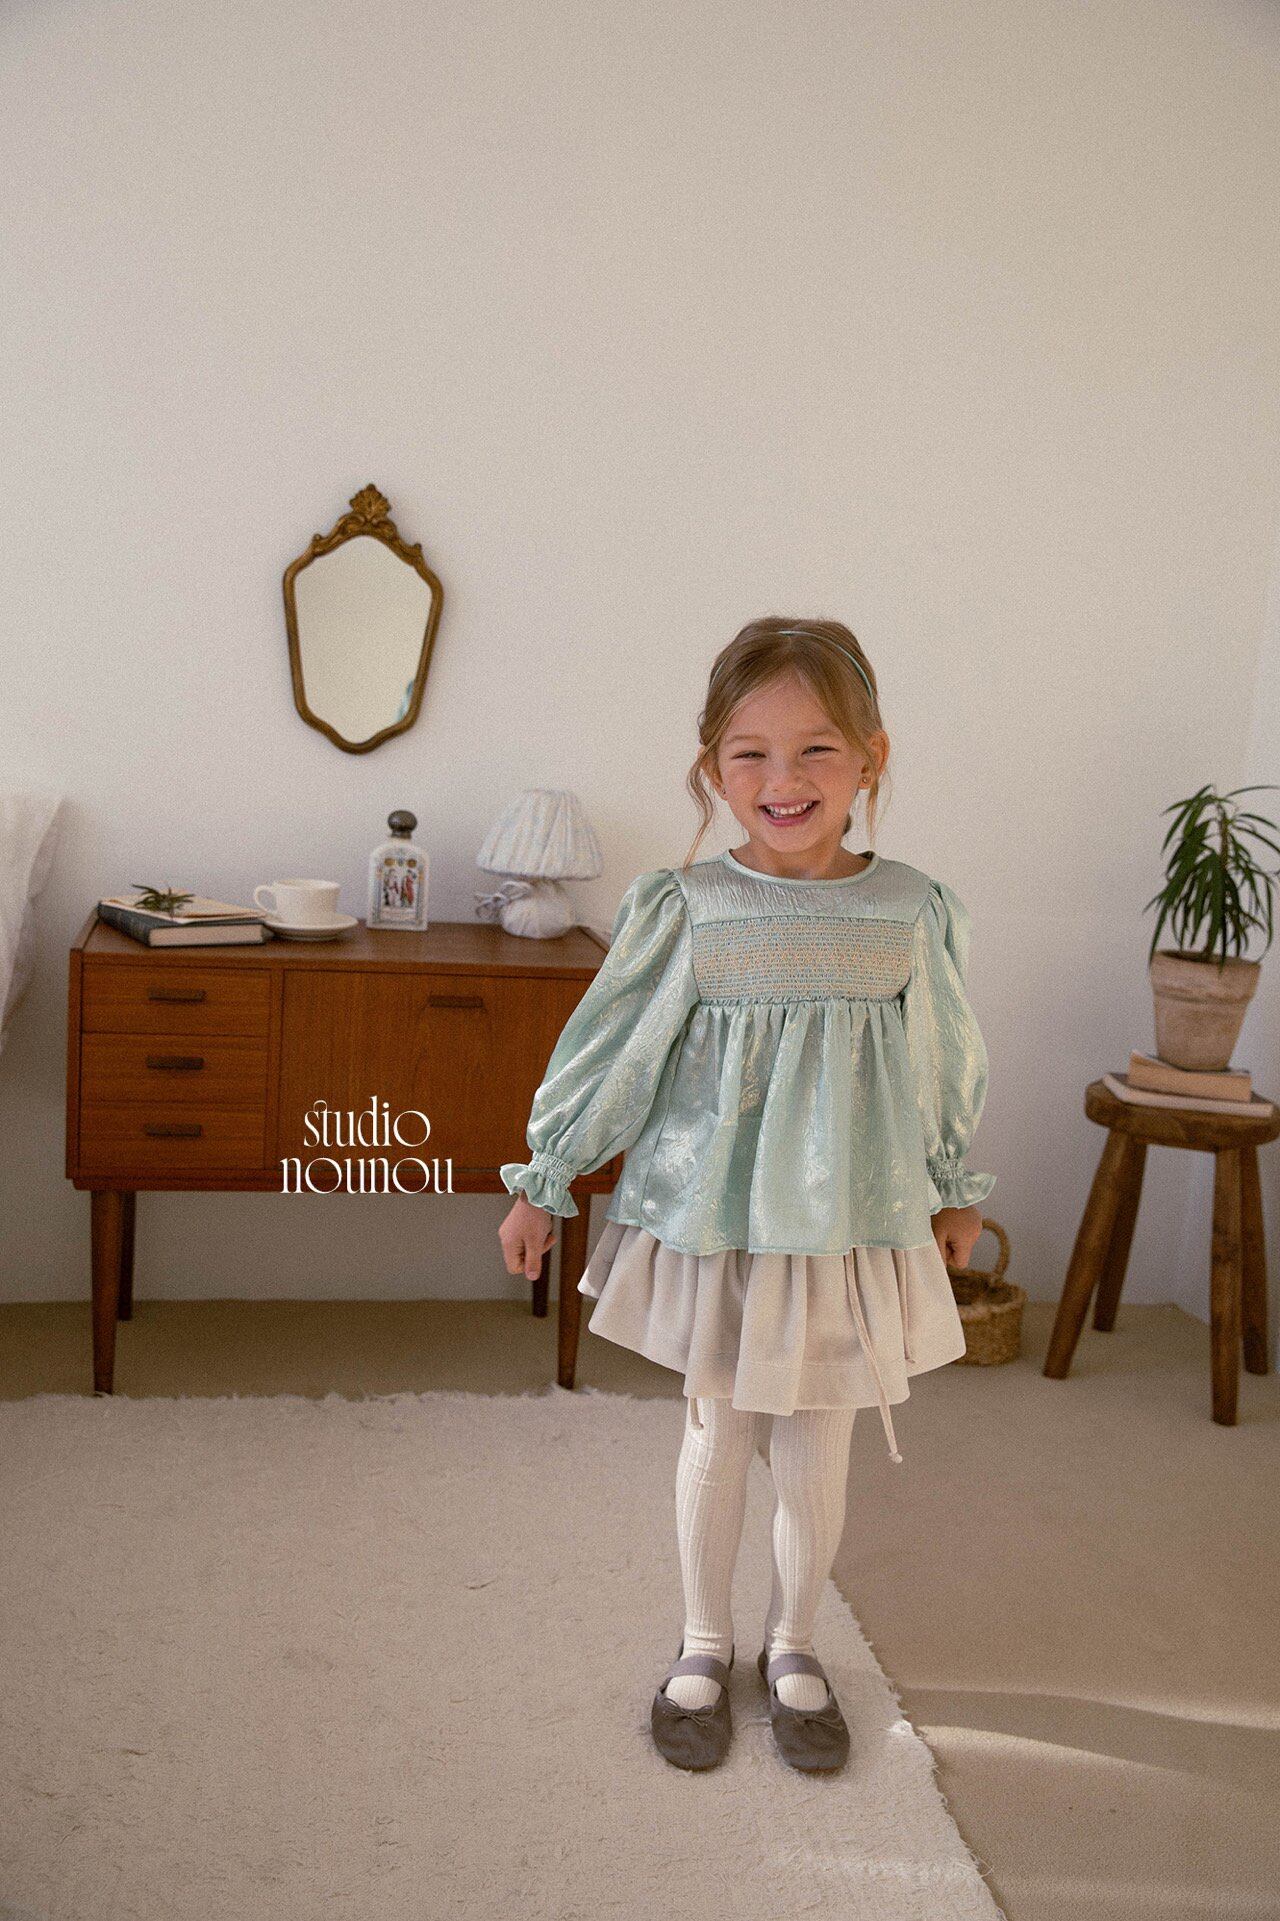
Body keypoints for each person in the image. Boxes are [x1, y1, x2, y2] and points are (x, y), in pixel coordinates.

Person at [497, 616, 994, 1773]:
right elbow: (611, 1054)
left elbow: (942, 1060)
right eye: (750, 753)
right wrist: (546, 1176)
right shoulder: (686, 907)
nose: (783, 779)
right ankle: (702, 1641)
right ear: (711, 767)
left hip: (846, 1224)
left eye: (816, 749)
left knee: (818, 1439)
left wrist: (953, 1182)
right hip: (717, 1218)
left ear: (869, 757)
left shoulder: (908, 908)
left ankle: (793, 1643)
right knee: (717, 1429)